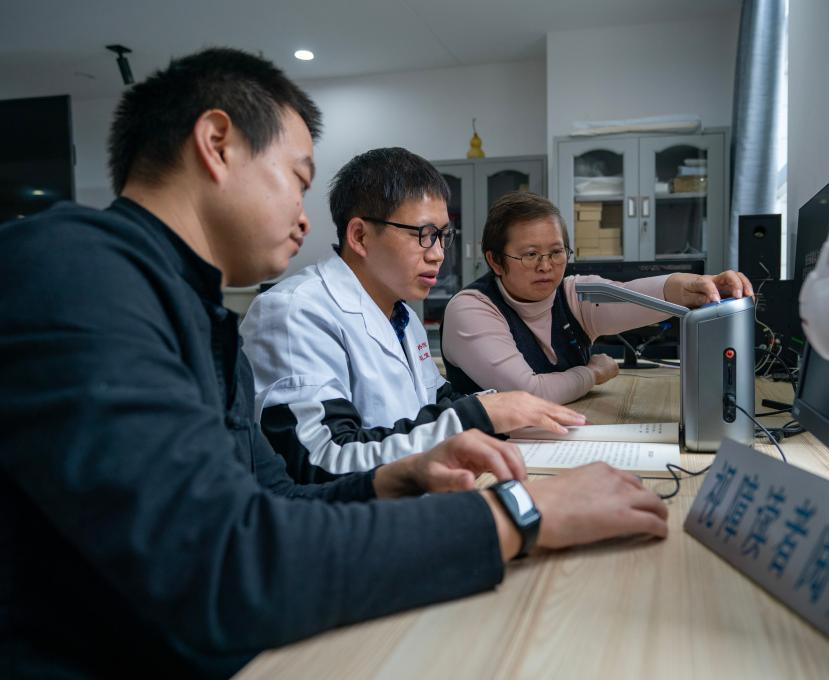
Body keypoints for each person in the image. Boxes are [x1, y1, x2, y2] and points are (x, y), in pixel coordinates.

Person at [0, 49, 668, 678]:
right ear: (217, 143)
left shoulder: (199, 314)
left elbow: (279, 502)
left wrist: (400, 477)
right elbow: (217, 563)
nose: (302, 218)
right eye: (297, 180)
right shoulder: (74, 271)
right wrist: (520, 513)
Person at [241, 148, 584, 478]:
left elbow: (436, 400)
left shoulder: (403, 316)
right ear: (360, 236)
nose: (438, 254)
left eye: (443, 236)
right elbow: (321, 461)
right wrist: (478, 414)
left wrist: (508, 408)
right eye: (424, 234)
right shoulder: (295, 312)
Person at [441, 192, 754, 404]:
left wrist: (701, 286)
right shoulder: (471, 309)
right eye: (531, 255)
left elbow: (640, 295)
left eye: (557, 252)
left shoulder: (573, 294)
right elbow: (529, 393)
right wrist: (593, 373)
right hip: (490, 453)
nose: (546, 266)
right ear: (495, 261)